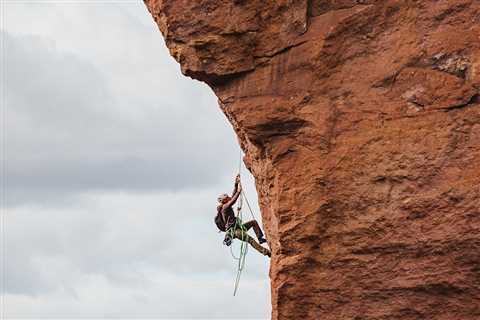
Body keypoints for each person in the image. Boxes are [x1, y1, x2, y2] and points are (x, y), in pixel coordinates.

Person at [216, 175, 271, 257]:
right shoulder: (225, 208)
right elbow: (233, 200)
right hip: (235, 231)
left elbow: (232, 196)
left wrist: (236, 183)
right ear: (224, 200)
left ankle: (260, 238)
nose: (229, 198)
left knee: (253, 222)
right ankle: (266, 252)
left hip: (237, 228)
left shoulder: (225, 206)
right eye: (227, 198)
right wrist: (239, 191)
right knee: (251, 240)